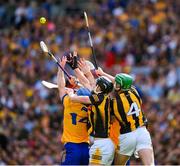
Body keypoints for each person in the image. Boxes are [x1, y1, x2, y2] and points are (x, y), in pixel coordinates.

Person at [96, 68, 154, 165]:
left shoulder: (114, 103)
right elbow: (119, 82)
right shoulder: (134, 91)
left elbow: (109, 115)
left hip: (127, 136)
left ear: (121, 86)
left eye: (118, 84)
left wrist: (103, 82)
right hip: (142, 132)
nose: (115, 85)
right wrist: (103, 73)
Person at [67, 76, 115, 165]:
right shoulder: (106, 98)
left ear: (100, 87)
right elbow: (88, 86)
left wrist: (70, 92)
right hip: (108, 144)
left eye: (97, 85)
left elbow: (74, 98)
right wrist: (77, 83)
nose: (94, 86)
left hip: (100, 145)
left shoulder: (97, 99)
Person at [57, 56, 90, 165]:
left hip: (72, 146)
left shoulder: (69, 102)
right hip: (86, 148)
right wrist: (76, 84)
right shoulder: (91, 107)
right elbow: (89, 87)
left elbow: (61, 87)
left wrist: (60, 69)